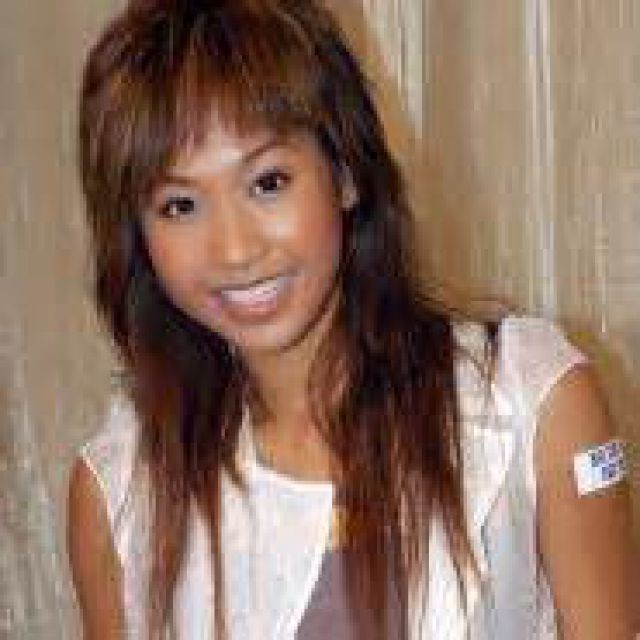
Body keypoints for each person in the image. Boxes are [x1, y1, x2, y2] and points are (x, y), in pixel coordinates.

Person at [67, 0, 634, 638]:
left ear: (343, 172)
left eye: (268, 183)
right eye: (179, 205)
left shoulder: (535, 402)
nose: (234, 250)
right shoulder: (122, 489)